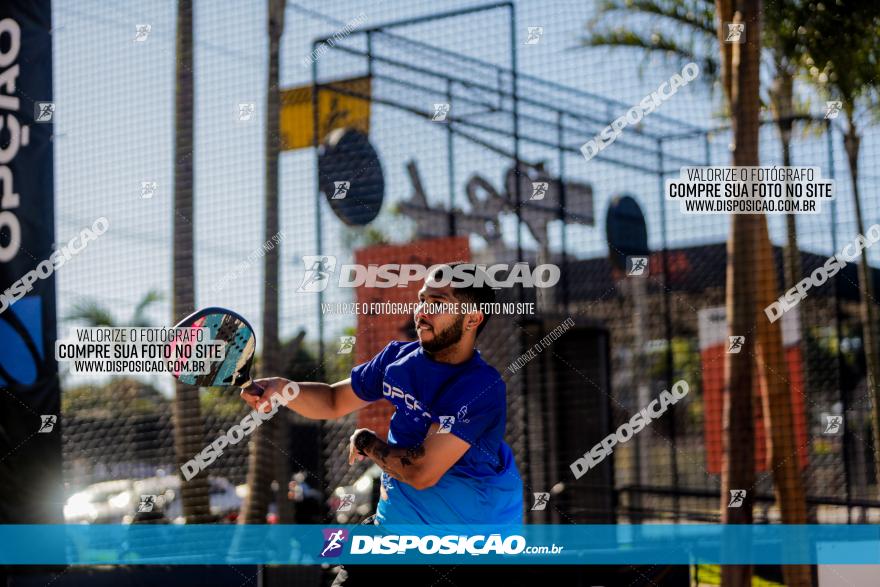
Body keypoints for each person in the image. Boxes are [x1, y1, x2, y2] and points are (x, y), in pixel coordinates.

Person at [240, 263, 524, 585]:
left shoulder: (480, 387)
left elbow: (421, 472)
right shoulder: (396, 360)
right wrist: (284, 389)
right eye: (422, 300)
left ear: (473, 318)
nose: (422, 312)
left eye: (438, 303)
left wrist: (366, 442)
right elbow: (334, 400)